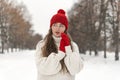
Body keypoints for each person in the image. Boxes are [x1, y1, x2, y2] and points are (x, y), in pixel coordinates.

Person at [35, 9, 83, 80]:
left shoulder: (73, 46)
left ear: (65, 28)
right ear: (51, 27)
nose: (57, 28)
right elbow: (42, 68)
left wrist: (68, 49)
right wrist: (59, 55)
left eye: (61, 26)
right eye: (55, 25)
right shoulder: (42, 44)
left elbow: (75, 69)